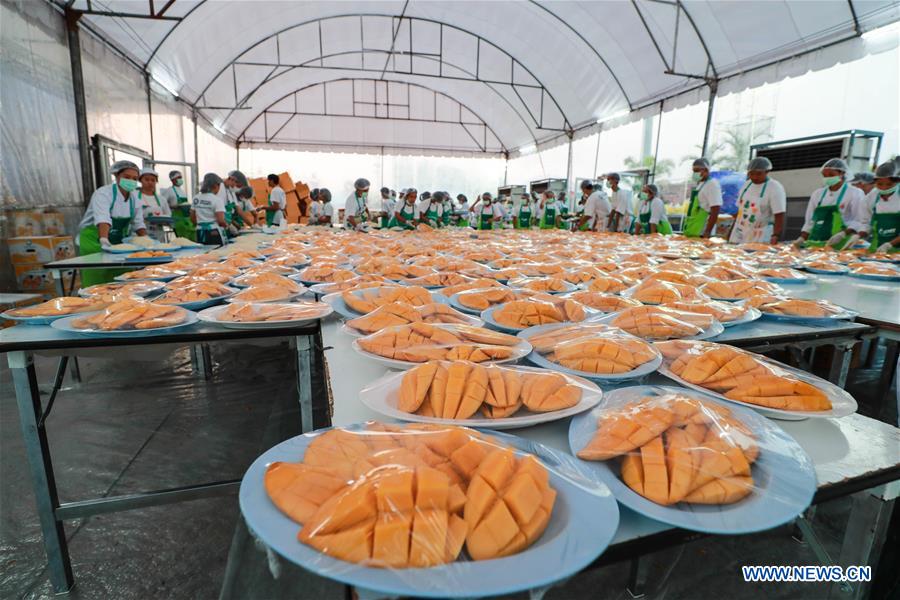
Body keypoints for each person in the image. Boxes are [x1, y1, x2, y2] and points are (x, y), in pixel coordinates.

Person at [77, 160, 148, 286]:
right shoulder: (103, 193)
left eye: (134, 178)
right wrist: (104, 239)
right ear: (116, 176)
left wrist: (147, 241)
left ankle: (121, 303)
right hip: (94, 240)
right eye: (127, 177)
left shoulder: (135, 198)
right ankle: (95, 304)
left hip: (117, 242)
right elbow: (103, 218)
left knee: (121, 277)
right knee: (97, 278)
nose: (131, 181)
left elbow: (138, 223)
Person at [793, 158, 865, 249]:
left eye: (831, 175)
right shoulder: (818, 194)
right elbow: (810, 221)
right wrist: (802, 238)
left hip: (842, 243)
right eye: (824, 175)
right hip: (816, 242)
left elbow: (858, 220)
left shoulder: (854, 193)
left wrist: (842, 234)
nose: (828, 178)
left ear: (842, 173)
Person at [728, 156, 786, 245]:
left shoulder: (774, 187)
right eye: (751, 174)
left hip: (760, 234)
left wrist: (775, 235)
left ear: (767, 172)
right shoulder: (746, 185)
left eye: (758, 174)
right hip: (740, 231)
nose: (754, 177)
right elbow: (739, 210)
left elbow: (779, 215)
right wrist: (731, 230)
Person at [857, 161, 900, 253]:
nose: (884, 188)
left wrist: (890, 244)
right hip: (877, 250)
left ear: (897, 182)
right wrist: (858, 235)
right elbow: (866, 222)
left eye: (889, 184)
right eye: (879, 184)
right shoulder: (871, 197)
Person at [683, 158, 722, 238]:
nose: (695, 173)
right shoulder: (701, 184)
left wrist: (707, 232)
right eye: (694, 171)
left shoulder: (712, 184)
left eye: (697, 170)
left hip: (702, 230)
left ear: (706, 170)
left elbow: (715, 209)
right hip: (693, 227)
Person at [191, 173, 227, 245]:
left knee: (203, 253)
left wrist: (200, 224)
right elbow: (220, 220)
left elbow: (192, 217)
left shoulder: (196, 198)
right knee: (216, 254)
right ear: (215, 185)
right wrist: (226, 226)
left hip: (199, 231)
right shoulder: (217, 200)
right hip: (213, 231)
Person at [160, 170, 193, 240]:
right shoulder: (169, 190)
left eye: (181, 177)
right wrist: (174, 206)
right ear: (172, 179)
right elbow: (162, 203)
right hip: (176, 219)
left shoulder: (182, 191)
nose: (180, 179)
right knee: (181, 238)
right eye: (178, 177)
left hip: (185, 218)